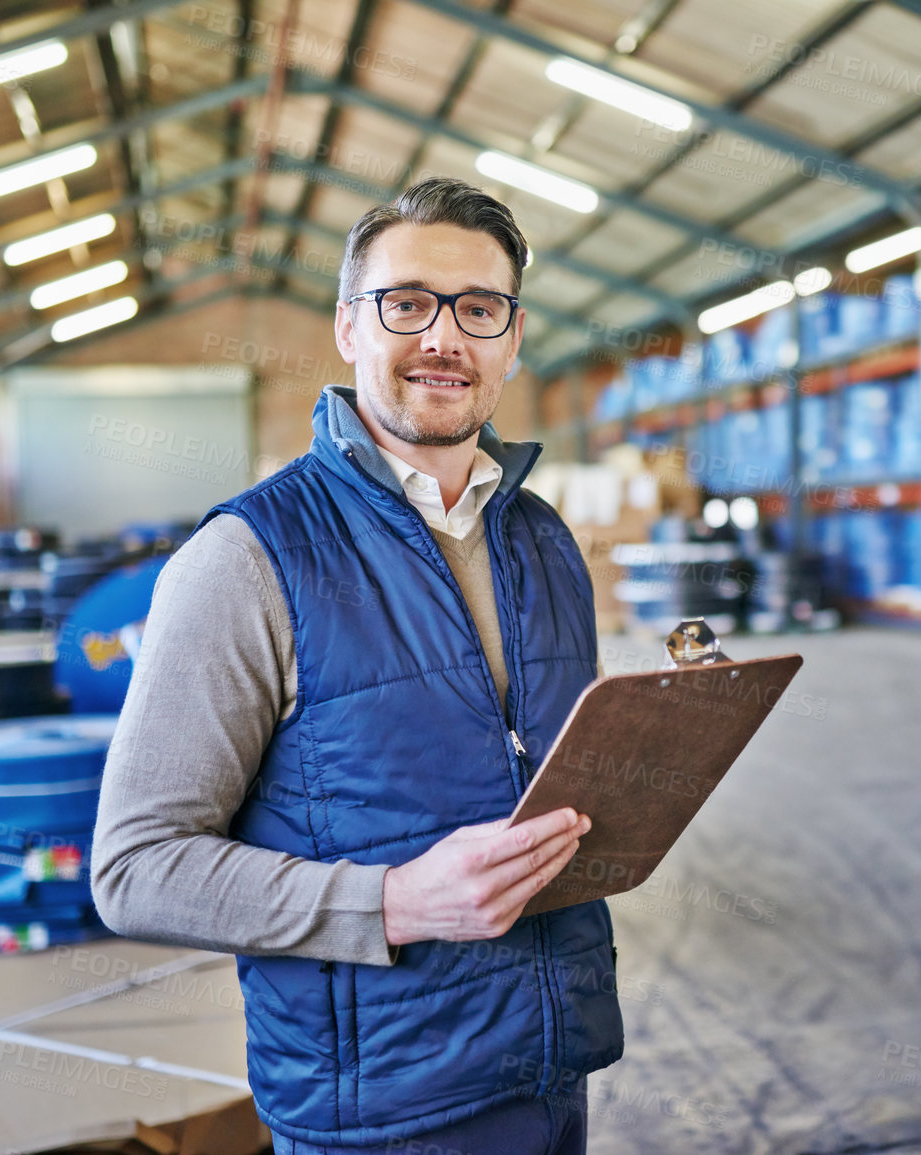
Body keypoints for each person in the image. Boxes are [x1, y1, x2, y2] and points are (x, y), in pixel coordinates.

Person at [91, 177, 624, 1155]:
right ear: (349, 328)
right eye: (407, 303)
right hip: (376, 1111)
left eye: (480, 308)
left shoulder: (546, 543)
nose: (444, 337)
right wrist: (393, 902)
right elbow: (136, 871)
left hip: (552, 1073)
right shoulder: (248, 559)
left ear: (512, 338)